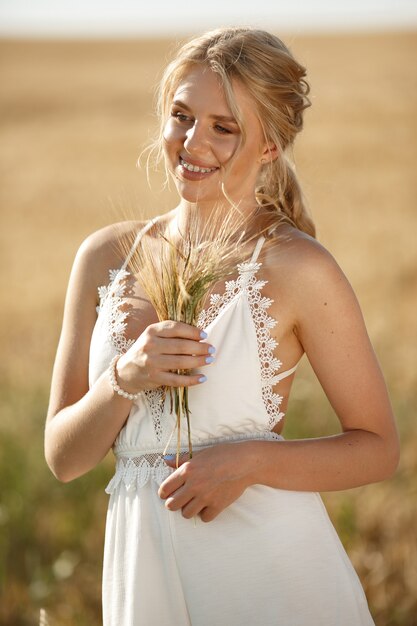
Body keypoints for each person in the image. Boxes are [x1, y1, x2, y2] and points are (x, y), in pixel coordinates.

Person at [45, 27, 400, 626]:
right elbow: (64, 457)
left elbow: (378, 448)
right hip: (143, 573)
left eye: (224, 127)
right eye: (181, 115)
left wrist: (253, 462)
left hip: (271, 578)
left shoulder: (298, 267)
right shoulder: (105, 257)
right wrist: (125, 377)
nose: (193, 142)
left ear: (269, 147)